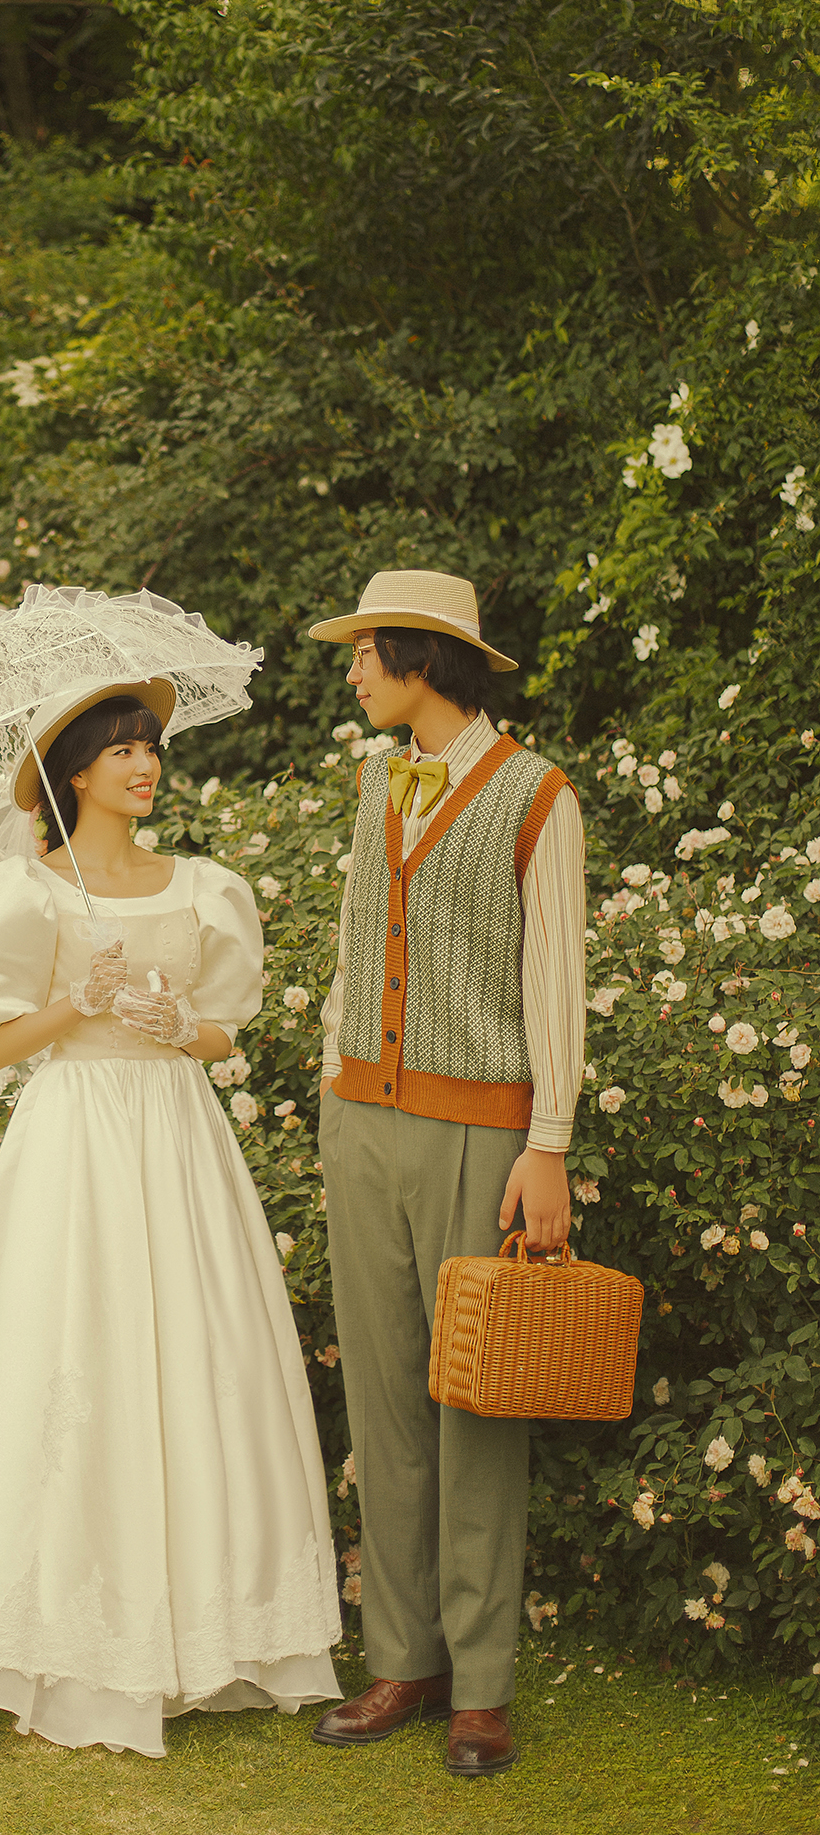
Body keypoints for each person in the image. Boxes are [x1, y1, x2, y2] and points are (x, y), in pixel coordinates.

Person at [0, 680, 344, 1757]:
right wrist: (77, 1001)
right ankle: (49, 1624)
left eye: (150, 748)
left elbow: (224, 1034)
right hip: (72, 1137)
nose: (145, 765)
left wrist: (178, 1024)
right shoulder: (21, 893)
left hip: (174, 1135)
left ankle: (210, 1621)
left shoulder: (205, 887)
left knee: (196, 1350)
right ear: (73, 771)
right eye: (123, 749)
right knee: (65, 1350)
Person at [305, 569, 585, 1779]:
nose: (352, 671)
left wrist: (547, 1142)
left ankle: (478, 1686)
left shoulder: (535, 793)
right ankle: (400, 1659)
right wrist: (333, 1066)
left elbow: (553, 975)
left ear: (419, 658)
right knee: (381, 1398)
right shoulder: (376, 780)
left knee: (474, 1403)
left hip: (480, 1131)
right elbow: (354, 938)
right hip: (359, 1119)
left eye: (364, 651)